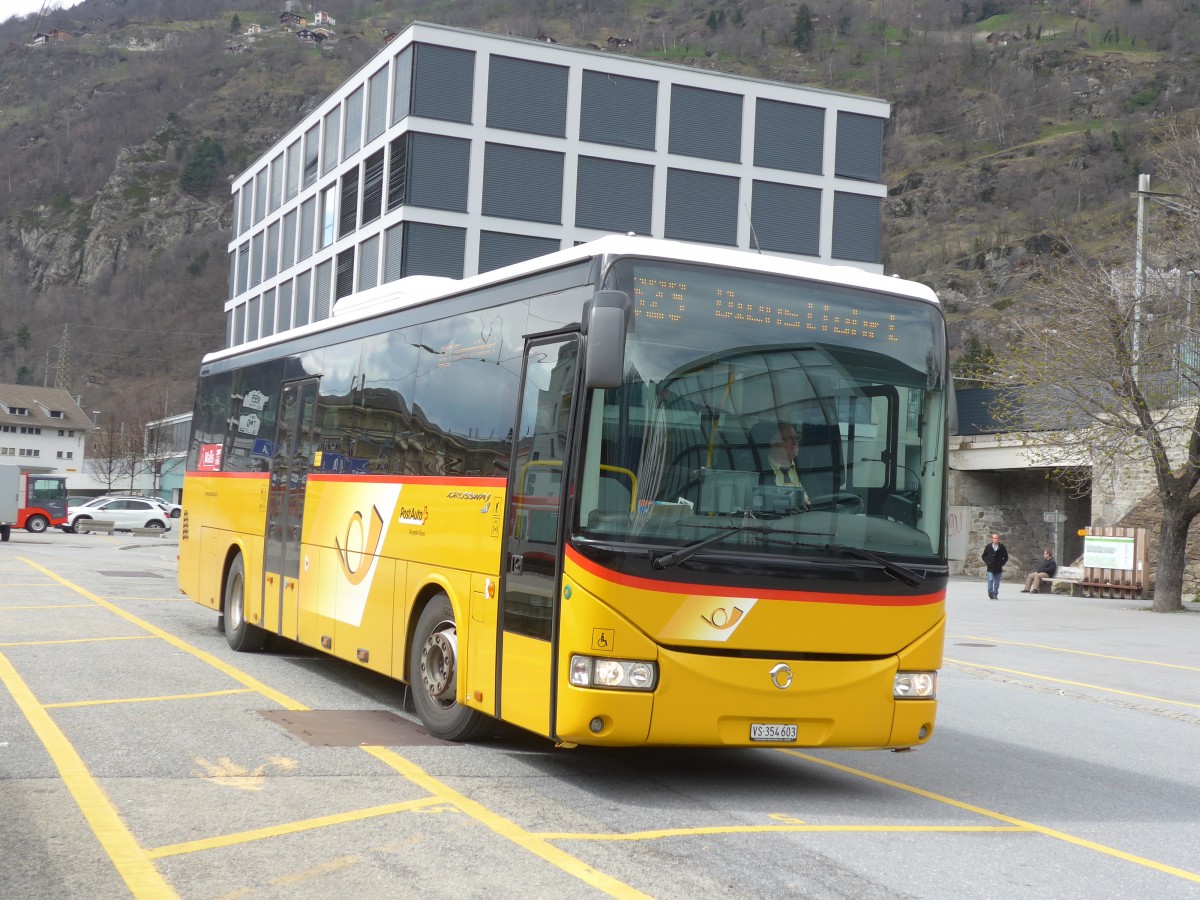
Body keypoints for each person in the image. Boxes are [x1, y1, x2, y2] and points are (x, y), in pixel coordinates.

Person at [762, 422, 810, 509]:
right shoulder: (759, 472)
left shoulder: (807, 470)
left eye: (796, 438)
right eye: (789, 439)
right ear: (774, 443)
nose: (795, 442)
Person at [981, 532, 1009, 599]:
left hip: (998, 568)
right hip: (990, 567)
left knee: (997, 582)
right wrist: (988, 562)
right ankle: (990, 592)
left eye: (997, 538)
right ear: (992, 539)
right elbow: (984, 556)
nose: (996, 539)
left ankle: (995, 593)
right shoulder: (988, 546)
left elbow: (1006, 557)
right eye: (995, 538)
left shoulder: (1001, 547)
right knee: (990, 580)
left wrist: (1001, 563)